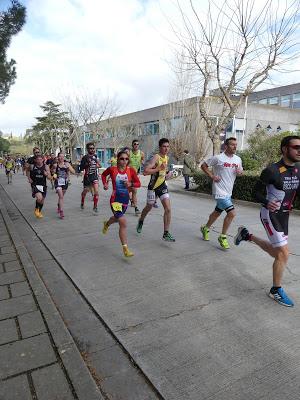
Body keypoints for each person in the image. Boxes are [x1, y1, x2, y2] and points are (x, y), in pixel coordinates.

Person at [234, 135, 300, 307]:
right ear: (285, 149)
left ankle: (247, 235)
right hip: (270, 215)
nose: (299, 150)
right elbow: (255, 193)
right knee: (284, 254)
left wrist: (291, 203)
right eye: (296, 147)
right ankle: (275, 290)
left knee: (277, 253)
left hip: (284, 215)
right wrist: (266, 202)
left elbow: (294, 189)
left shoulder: (298, 168)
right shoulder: (272, 170)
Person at [200, 137, 243, 249]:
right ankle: (223, 236)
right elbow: (203, 165)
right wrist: (212, 176)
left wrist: (240, 172)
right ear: (226, 146)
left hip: (228, 191)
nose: (235, 147)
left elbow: (240, 172)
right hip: (219, 191)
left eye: (236, 145)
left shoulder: (238, 159)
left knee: (217, 212)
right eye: (232, 145)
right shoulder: (218, 158)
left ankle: (205, 228)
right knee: (232, 213)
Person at [102, 150, 141, 257]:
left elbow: (138, 183)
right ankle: (125, 249)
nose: (124, 161)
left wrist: (130, 183)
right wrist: (105, 184)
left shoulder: (131, 171)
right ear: (117, 159)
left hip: (125, 201)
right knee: (123, 222)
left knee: (116, 218)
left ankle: (107, 224)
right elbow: (103, 175)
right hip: (115, 200)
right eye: (122, 159)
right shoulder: (112, 169)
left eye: (126, 159)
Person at [136, 138, 175, 242]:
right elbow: (145, 171)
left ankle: (166, 233)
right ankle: (141, 220)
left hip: (162, 186)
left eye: (168, 146)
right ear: (160, 147)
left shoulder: (166, 157)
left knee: (168, 209)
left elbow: (162, 173)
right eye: (164, 146)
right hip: (153, 187)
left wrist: (167, 175)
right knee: (149, 206)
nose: (166, 148)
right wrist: (158, 168)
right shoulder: (156, 157)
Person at [51, 152, 76, 219]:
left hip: (65, 182)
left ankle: (59, 205)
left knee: (61, 197)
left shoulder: (67, 164)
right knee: (61, 196)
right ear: (58, 157)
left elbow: (73, 171)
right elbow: (52, 172)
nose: (61, 158)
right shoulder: (55, 165)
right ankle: (61, 211)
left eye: (63, 156)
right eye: (60, 156)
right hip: (58, 183)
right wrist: (54, 175)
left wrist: (69, 168)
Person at [79, 142, 101, 212]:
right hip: (87, 177)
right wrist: (87, 164)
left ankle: (95, 206)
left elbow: (99, 165)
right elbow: (81, 167)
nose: (92, 150)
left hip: (94, 176)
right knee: (85, 191)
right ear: (87, 149)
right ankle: (82, 201)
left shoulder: (96, 156)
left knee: (96, 192)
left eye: (93, 148)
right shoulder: (85, 157)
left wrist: (98, 164)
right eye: (90, 148)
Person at [129, 139, 145, 215]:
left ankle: (135, 207)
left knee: (134, 191)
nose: (136, 145)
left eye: (137, 144)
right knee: (129, 190)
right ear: (132, 145)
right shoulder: (128, 153)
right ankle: (132, 202)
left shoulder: (141, 153)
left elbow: (142, 161)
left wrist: (145, 167)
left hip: (135, 175)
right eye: (135, 144)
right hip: (128, 174)